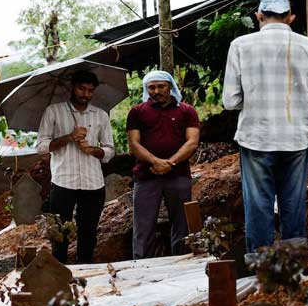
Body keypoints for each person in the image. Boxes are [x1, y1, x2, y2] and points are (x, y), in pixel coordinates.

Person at [222, 0, 308, 253]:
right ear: (291, 17)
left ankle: (262, 271)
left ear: (259, 16)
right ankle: (292, 268)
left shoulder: (240, 45)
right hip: (295, 138)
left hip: (256, 137)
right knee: (293, 204)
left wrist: (254, 101)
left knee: (258, 205)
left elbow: (230, 100)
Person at [36, 70, 115, 264]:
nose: (85, 94)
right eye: (81, 88)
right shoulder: (53, 111)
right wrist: (69, 138)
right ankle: (59, 270)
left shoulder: (101, 115)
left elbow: (109, 150)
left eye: (90, 90)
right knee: (60, 231)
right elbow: (41, 147)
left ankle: (85, 269)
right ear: (73, 87)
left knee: (88, 231)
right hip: (63, 180)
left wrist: (93, 150)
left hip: (93, 182)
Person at [126, 70, 200, 259]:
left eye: (161, 86)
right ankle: (142, 265)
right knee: (144, 225)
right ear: (146, 89)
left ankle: (183, 263)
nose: (156, 91)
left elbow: (192, 141)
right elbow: (134, 144)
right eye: (151, 87)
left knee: (182, 224)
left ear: (170, 87)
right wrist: (156, 162)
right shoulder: (137, 112)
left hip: (179, 175)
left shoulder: (187, 111)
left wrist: (171, 162)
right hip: (146, 175)